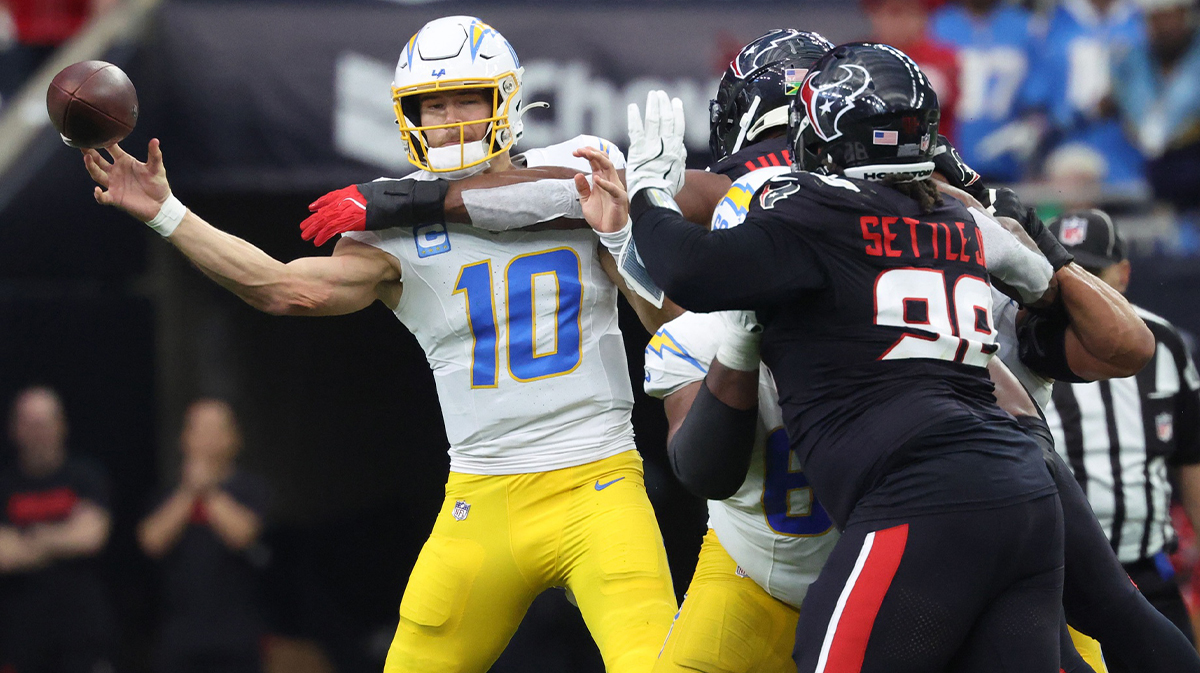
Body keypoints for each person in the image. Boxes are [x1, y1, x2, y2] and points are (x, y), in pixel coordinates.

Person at [79, 15, 678, 673]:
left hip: (599, 480)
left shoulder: (579, 171)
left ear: (505, 99)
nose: (447, 119)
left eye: (465, 99)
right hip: (483, 498)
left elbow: (664, 324)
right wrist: (170, 214)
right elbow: (282, 288)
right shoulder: (392, 237)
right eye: (433, 103)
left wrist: (622, 238)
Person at [580, 43, 1067, 671]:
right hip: (998, 498)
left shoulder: (795, 232)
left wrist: (644, 200)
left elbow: (692, 278)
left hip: (898, 522)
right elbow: (1040, 288)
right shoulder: (952, 227)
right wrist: (1026, 249)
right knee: (1104, 613)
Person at [1043, 208, 1200, 654]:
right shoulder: (1016, 338)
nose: (1082, 288)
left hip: (1148, 573)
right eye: (1067, 271)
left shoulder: (1165, 343)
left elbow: (1191, 455)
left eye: (1093, 272)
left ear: (1124, 275)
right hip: (1057, 580)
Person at [138, 399, 271, 673]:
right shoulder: (167, 495)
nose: (207, 439)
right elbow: (151, 540)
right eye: (199, 431)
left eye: (216, 430)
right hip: (180, 637)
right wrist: (189, 491)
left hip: (236, 637)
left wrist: (208, 490)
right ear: (184, 439)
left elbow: (242, 534)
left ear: (234, 439)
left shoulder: (251, 490)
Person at [0, 386, 114, 673]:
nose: (38, 432)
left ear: (62, 426)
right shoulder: (4, 485)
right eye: (30, 423)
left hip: (82, 637)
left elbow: (90, 537)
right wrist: (63, 536)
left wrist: (27, 539)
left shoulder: (86, 476)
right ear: (14, 430)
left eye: (45, 422)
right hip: (19, 639)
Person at [1024, 0, 1148, 186]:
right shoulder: (1052, 22)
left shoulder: (1142, 16)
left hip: (1133, 157)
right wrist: (1086, 112)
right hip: (1069, 153)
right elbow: (1036, 100)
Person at [929, 0, 1043, 182]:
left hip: (1010, 161)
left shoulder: (1027, 26)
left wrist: (1033, 127)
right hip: (950, 154)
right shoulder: (937, 25)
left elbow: (1041, 97)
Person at [1112, 0, 1200, 209]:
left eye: (1172, 16)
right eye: (1157, 18)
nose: (1166, 26)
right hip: (1147, 161)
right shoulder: (1132, 58)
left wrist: (1164, 124)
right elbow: (1142, 121)